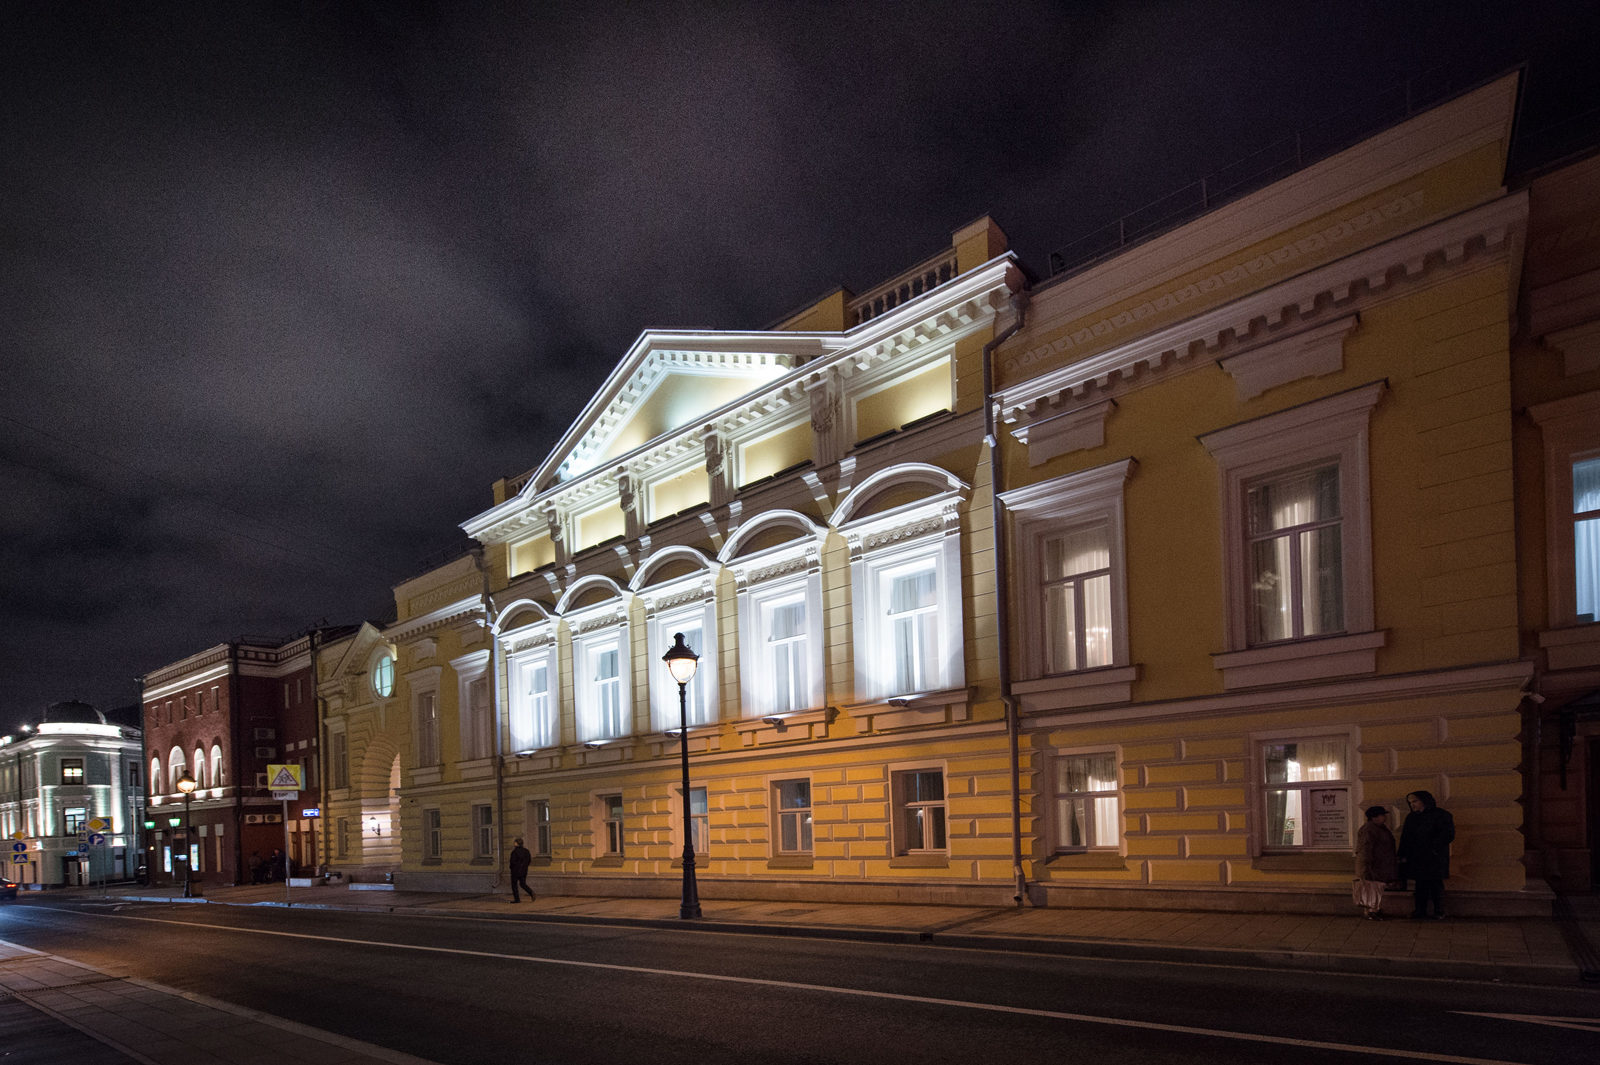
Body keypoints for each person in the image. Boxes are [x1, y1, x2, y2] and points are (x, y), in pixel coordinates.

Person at [1398, 790, 1455, 919]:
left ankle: (1439, 911)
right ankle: (1420, 911)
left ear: (1424, 800)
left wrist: (1433, 846)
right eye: (1410, 802)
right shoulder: (1412, 817)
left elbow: (1448, 834)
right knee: (1420, 885)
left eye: (1415, 801)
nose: (1412, 805)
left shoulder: (1441, 815)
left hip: (1434, 856)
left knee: (1435, 884)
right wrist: (1402, 854)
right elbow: (1406, 837)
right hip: (1417, 857)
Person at [1353, 805, 1397, 920]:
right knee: (1372, 888)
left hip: (1380, 864)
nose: (1384, 817)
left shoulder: (1380, 828)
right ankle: (1371, 911)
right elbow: (1365, 850)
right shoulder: (1369, 829)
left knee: (1376, 887)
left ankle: (1374, 910)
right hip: (1373, 865)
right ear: (1374, 817)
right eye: (1382, 815)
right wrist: (1366, 867)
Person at [508, 837, 535, 903]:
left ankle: (517, 899)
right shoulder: (526, 851)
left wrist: (511, 868)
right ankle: (531, 892)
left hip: (515, 871)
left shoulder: (514, 852)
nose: (514, 843)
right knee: (523, 884)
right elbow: (529, 860)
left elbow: (512, 862)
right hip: (524, 870)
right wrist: (524, 867)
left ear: (517, 844)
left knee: (514, 885)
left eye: (515, 842)